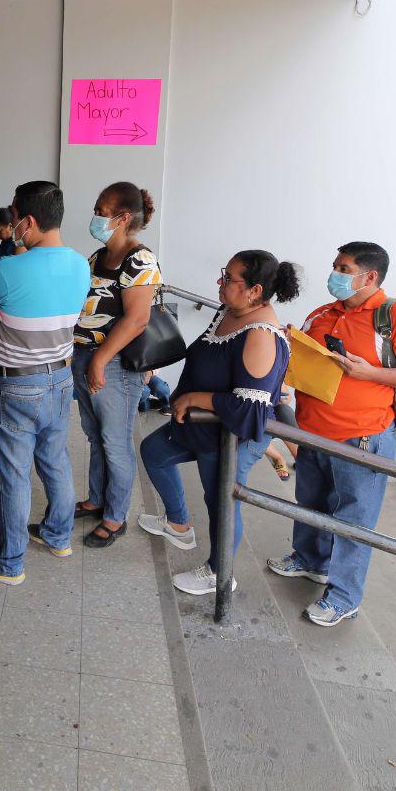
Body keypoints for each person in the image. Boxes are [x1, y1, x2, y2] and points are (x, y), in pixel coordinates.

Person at [267, 242, 396, 627]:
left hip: (363, 436)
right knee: (310, 502)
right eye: (335, 266)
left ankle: (344, 596)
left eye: (343, 268)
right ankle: (310, 560)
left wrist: (370, 373)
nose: (335, 274)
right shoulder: (323, 312)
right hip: (312, 431)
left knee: (353, 520)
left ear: (370, 276)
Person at [138, 252, 297, 594]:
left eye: (228, 278)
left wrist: (195, 399)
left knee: (221, 502)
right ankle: (179, 525)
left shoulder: (260, 335)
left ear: (254, 290)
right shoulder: (229, 311)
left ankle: (219, 573)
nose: (219, 283)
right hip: (197, 425)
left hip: (229, 435)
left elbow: (249, 410)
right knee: (153, 451)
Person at [0, 181, 90, 585]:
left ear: (28, 221)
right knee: (56, 460)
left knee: (14, 475)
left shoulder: (6, 268)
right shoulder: (81, 264)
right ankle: (58, 535)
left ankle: (9, 561)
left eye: (14, 217)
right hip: (60, 378)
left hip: (15, 387)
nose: (11, 225)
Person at [71, 182, 163, 547]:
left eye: (101, 210)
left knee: (115, 441)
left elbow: (137, 319)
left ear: (123, 218)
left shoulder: (140, 260)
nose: (95, 216)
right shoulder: (98, 256)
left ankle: (115, 516)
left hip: (115, 365)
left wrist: (100, 360)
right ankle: (97, 498)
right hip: (85, 356)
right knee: (96, 436)